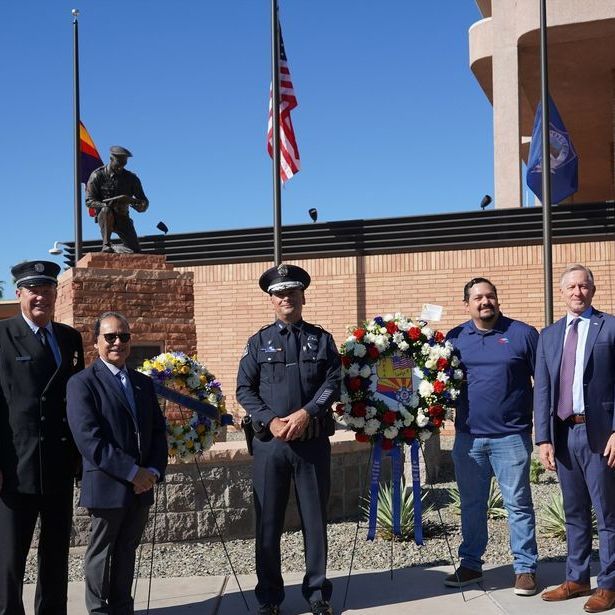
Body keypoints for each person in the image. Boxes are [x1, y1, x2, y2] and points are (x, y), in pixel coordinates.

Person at [236, 264, 341, 615]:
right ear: (272, 300)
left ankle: (317, 595)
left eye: (292, 292)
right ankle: (269, 598)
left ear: (302, 297)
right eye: (279, 294)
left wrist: (306, 412)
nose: (286, 298)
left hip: (311, 444)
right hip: (271, 447)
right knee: (268, 524)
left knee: (315, 522)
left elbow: (332, 383)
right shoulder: (258, 342)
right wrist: (272, 420)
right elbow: (244, 390)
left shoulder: (322, 339)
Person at [66, 312, 167, 615]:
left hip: (141, 486)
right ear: (96, 342)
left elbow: (158, 432)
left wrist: (152, 471)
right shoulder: (82, 383)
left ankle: (123, 607)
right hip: (109, 482)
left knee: (127, 550)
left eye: (123, 336)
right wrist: (131, 472)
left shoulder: (142, 383)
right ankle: (98, 610)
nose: (117, 343)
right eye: (110, 337)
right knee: (102, 552)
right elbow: (89, 439)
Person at [444, 277, 539, 595]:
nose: (485, 302)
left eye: (490, 296)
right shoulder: (455, 338)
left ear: (497, 299)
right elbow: (441, 384)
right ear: (467, 304)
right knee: (472, 505)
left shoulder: (523, 334)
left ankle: (525, 568)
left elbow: (544, 384)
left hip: (511, 437)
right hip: (468, 438)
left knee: (519, 504)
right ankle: (470, 564)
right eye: (478, 298)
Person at [0, 260, 84, 615]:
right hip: (15, 465)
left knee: (55, 554)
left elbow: (77, 399)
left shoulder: (68, 337)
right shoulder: (2, 337)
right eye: (34, 290)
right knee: (8, 559)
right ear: (18, 293)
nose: (41, 297)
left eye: (48, 289)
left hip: (58, 463)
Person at [535, 264, 615, 613]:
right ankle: (578, 578)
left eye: (584, 286)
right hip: (563, 434)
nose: (577, 292)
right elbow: (543, 392)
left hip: (601, 435)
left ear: (593, 291)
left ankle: (609, 584)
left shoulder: (611, 327)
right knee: (574, 512)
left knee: (608, 512)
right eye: (571, 287)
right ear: (563, 292)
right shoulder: (549, 335)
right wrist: (543, 439)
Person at [86, 146, 149, 254]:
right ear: (111, 159)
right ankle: (106, 244)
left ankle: (116, 248)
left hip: (123, 217)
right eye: (118, 164)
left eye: (123, 164)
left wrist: (134, 202)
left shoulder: (131, 178)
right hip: (106, 216)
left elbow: (144, 201)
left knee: (135, 250)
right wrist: (104, 205)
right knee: (106, 211)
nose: (120, 167)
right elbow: (89, 201)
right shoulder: (98, 175)